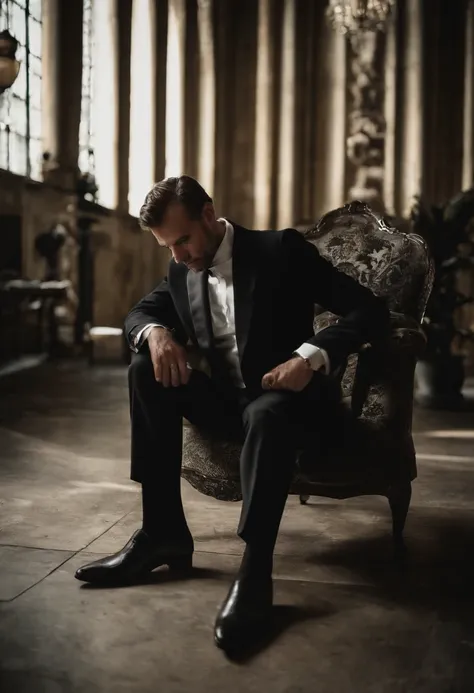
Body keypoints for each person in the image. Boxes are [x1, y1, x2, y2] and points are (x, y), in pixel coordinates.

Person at [75, 175, 390, 654]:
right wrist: (155, 332)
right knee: (145, 370)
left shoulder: (280, 250)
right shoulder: (181, 268)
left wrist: (309, 357)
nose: (178, 255)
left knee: (267, 415)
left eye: (182, 240)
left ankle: (255, 571)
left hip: (291, 405)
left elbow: (368, 310)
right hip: (231, 404)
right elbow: (138, 313)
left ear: (208, 215)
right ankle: (163, 534)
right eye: (167, 246)